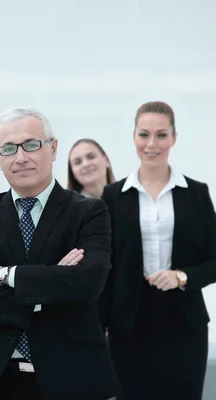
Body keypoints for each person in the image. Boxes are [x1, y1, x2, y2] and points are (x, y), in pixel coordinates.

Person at [0, 107, 120, 400]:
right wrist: (53, 287)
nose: (21, 157)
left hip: (72, 376)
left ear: (53, 149)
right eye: (9, 149)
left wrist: (7, 275)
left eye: (31, 145)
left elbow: (88, 282)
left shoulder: (89, 212)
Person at [100, 101, 216, 400]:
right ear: (134, 137)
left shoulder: (197, 193)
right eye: (144, 134)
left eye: (161, 135)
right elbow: (105, 267)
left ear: (174, 138)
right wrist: (98, 324)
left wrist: (181, 276)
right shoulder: (113, 196)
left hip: (184, 323)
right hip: (128, 323)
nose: (152, 144)